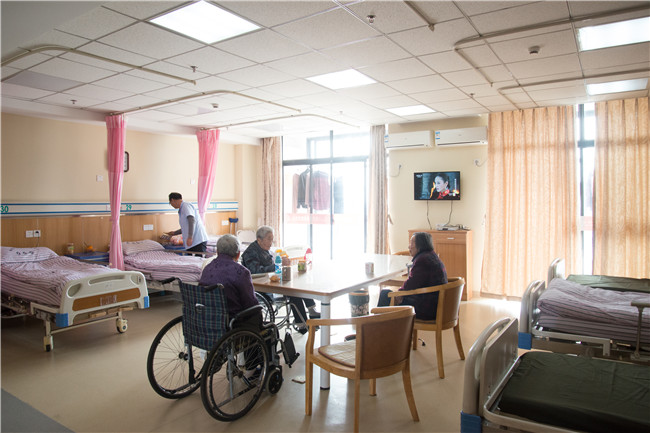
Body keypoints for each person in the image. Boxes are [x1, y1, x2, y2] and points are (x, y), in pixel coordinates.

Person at [240, 225, 320, 333]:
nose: (271, 242)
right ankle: (302, 324)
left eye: (272, 239)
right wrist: (278, 265)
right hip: (261, 289)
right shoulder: (251, 252)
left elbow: (271, 269)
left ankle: (311, 310)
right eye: (269, 239)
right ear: (259, 240)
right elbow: (255, 271)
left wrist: (281, 265)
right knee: (293, 292)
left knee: (299, 286)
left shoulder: (264, 249)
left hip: (269, 283)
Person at [377, 232, 447, 320]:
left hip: (426, 309)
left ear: (420, 245)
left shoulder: (422, 260)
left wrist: (399, 294)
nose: (409, 246)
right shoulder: (432, 255)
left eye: (411, 243)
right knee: (391, 295)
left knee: (386, 294)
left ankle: (377, 326)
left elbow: (411, 283)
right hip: (436, 305)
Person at [199, 234, 262, 329]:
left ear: (217, 252)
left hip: (208, 321)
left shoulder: (207, 268)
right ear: (238, 254)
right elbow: (250, 303)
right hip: (233, 324)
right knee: (270, 327)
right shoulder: (241, 272)